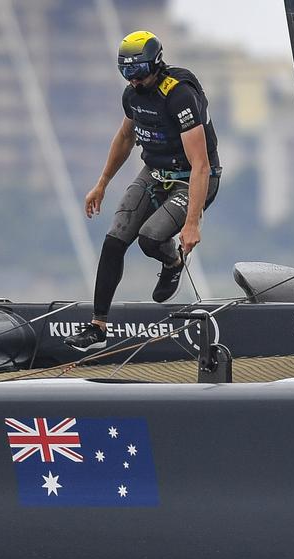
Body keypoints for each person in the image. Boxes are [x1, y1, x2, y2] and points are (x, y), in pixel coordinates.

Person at [65, 30, 222, 352]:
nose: (133, 81)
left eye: (138, 73)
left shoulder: (178, 95)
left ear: (156, 64)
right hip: (153, 173)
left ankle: (173, 263)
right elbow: (124, 138)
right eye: (127, 74)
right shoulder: (132, 96)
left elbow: (201, 165)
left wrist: (192, 223)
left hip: (191, 178)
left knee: (150, 238)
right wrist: (102, 183)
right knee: (114, 241)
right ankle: (97, 327)